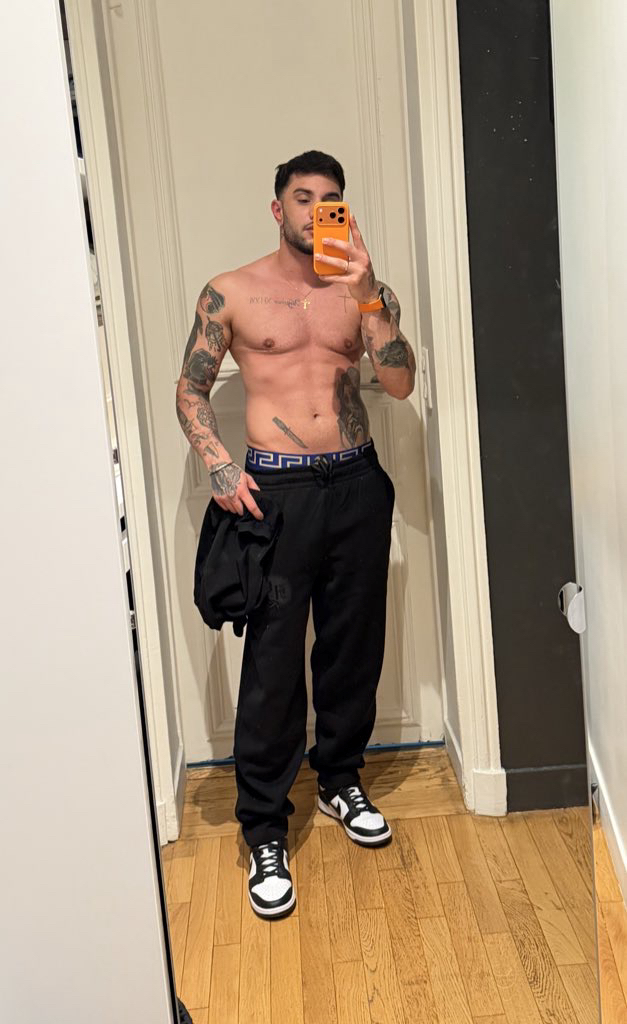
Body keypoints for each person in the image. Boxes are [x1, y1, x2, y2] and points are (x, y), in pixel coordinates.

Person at [175, 150, 416, 919]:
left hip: (356, 483)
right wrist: (218, 464)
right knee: (273, 664)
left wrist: (368, 295)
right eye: (303, 197)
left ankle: (341, 779)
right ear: (277, 208)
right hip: (276, 492)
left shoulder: (363, 292)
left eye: (330, 199)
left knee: (352, 645)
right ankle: (264, 828)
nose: (316, 210)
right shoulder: (231, 291)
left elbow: (401, 382)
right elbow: (190, 388)